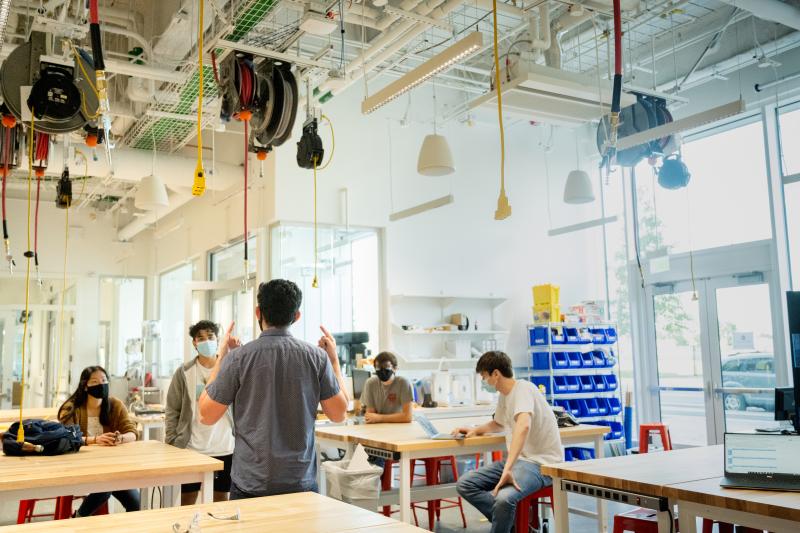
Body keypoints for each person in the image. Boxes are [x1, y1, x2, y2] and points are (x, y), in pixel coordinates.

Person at [197, 278, 349, 499]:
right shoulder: (317, 358)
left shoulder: (239, 358)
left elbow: (207, 414)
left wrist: (222, 357)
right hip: (300, 482)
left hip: (252, 482)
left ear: (258, 313)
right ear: (296, 316)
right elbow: (339, 414)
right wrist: (333, 361)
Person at [453, 351, 562, 533]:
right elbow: (498, 423)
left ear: (496, 374)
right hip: (520, 462)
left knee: (504, 499)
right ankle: (518, 526)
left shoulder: (524, 389)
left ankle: (512, 522)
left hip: (541, 464)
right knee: (465, 484)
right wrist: (474, 430)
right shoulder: (505, 395)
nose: (484, 382)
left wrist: (508, 468)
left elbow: (524, 426)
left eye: (484, 377)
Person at [166, 320, 235, 505]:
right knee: (188, 499)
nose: (206, 341)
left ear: (217, 339)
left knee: (221, 498)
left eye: (210, 337)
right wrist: (172, 441)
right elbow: (173, 408)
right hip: (193, 447)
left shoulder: (230, 367)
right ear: (194, 343)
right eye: (201, 338)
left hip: (225, 445)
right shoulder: (184, 372)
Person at [58, 366, 140, 518]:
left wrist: (121, 438)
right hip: (79, 466)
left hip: (110, 466)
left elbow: (132, 432)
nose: (101, 385)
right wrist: (95, 440)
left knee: (136, 503)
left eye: (104, 380)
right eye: (94, 382)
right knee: (106, 484)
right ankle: (79, 517)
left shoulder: (115, 405)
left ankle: (80, 516)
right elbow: (65, 437)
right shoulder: (72, 408)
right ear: (85, 386)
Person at [362, 351, 413, 424]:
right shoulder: (370, 383)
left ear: (395, 368)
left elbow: (407, 417)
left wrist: (379, 418)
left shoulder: (403, 383)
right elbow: (370, 417)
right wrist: (376, 418)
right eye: (378, 368)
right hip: (377, 429)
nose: (382, 371)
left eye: (386, 367)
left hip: (399, 428)